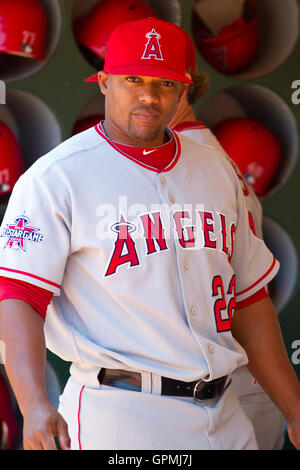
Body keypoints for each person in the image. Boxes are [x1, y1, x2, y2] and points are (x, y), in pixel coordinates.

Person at [0, 17, 299, 451]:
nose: (148, 95)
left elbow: (250, 300)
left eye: (164, 83)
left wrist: (294, 408)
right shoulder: (56, 178)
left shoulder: (214, 168)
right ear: (104, 83)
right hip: (122, 413)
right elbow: (18, 297)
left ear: (183, 91)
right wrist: (33, 404)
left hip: (225, 413)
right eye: (133, 79)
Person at [168, 34, 286, 451]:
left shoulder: (186, 165)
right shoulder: (208, 156)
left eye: (156, 82)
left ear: (182, 87)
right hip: (244, 386)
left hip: (223, 392)